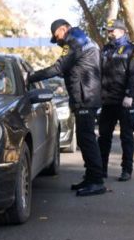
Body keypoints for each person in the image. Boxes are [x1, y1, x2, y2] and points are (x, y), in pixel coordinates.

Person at [28, 19, 105, 197]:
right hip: (87, 95)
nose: (59, 42)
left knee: (87, 140)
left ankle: (96, 181)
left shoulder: (74, 40)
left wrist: (31, 77)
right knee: (85, 139)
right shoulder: (83, 39)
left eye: (58, 37)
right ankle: (91, 177)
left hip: (85, 97)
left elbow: (58, 67)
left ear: (63, 29)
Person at [98, 18, 134, 182]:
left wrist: (130, 95)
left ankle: (127, 170)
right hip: (108, 100)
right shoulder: (105, 50)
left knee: (126, 136)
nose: (109, 33)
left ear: (122, 31)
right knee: (104, 136)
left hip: (125, 100)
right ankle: (101, 169)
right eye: (108, 30)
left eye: (112, 30)